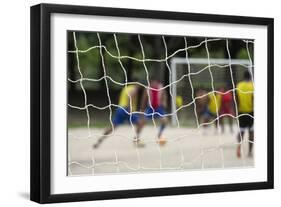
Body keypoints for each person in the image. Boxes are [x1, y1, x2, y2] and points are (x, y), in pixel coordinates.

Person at [93, 84, 145, 148]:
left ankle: (100, 140)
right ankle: (136, 139)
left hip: (120, 109)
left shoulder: (126, 88)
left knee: (112, 127)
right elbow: (130, 96)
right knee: (140, 123)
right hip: (126, 109)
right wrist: (130, 109)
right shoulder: (134, 89)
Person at [140, 78, 168, 145]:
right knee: (142, 122)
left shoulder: (161, 87)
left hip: (159, 108)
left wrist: (164, 102)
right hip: (150, 108)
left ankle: (159, 134)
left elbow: (164, 95)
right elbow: (144, 99)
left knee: (165, 121)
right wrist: (142, 109)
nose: (153, 84)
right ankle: (137, 136)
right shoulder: (147, 88)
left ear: (157, 82)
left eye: (155, 82)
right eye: (152, 82)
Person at [236, 71, 254, 158]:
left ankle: (239, 148)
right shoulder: (252, 86)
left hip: (241, 111)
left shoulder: (239, 85)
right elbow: (253, 98)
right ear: (250, 77)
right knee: (251, 132)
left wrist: (236, 110)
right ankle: (250, 152)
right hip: (251, 111)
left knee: (241, 131)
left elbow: (237, 99)